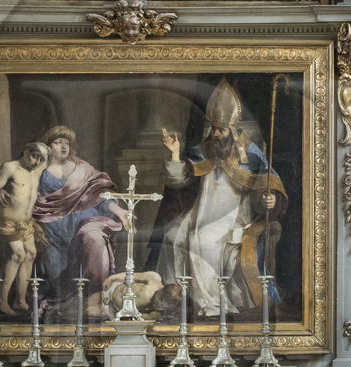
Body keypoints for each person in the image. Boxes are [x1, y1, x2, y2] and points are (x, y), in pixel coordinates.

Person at [156, 78, 285, 317]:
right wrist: (174, 155)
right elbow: (179, 179)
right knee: (174, 237)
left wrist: (269, 199)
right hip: (201, 213)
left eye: (222, 130)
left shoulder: (250, 154)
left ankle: (212, 303)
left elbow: (269, 183)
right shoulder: (203, 150)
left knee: (203, 242)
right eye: (214, 128)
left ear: (233, 131)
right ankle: (182, 299)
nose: (216, 134)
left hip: (235, 217)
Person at [31, 126, 127, 311]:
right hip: (55, 232)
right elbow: (24, 189)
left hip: (85, 223)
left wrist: (120, 211)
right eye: (58, 143)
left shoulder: (81, 168)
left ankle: (95, 301)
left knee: (93, 246)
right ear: (48, 146)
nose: (63, 147)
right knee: (56, 271)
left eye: (66, 143)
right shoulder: (39, 171)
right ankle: (68, 306)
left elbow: (101, 193)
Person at [0, 141, 50, 316]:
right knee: (18, 255)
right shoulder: (10, 167)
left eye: (40, 159)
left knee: (31, 254)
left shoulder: (37, 169)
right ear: (26, 151)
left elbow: (54, 156)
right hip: (8, 222)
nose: (36, 162)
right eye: (34, 156)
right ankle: (1, 301)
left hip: (26, 224)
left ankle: (20, 300)